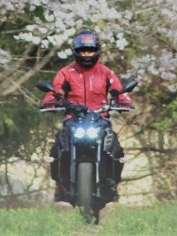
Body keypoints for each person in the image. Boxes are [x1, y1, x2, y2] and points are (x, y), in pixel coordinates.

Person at [42, 30, 131, 202]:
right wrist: (50, 100)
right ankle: (60, 183)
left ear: (97, 50)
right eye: (83, 51)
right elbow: (56, 91)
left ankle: (111, 182)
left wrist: (124, 100)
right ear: (76, 51)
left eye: (90, 50)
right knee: (57, 147)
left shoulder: (106, 72)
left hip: (100, 119)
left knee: (116, 149)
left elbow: (118, 91)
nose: (86, 54)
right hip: (73, 120)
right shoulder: (66, 73)